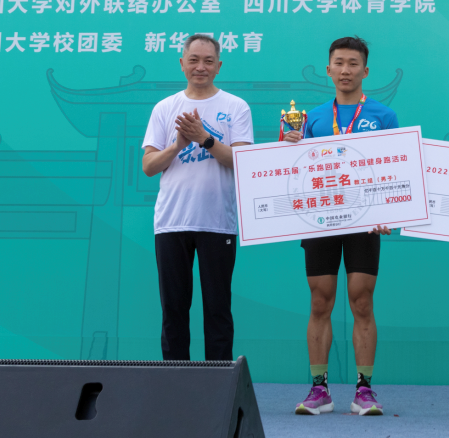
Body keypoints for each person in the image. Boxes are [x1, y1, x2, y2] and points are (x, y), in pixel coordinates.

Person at [281, 36, 397, 417]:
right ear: (328, 69)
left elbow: (394, 168)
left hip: (365, 222)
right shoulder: (310, 118)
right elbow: (294, 172)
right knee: (320, 300)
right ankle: (320, 390)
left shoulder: (383, 116)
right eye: (339, 63)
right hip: (320, 220)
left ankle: (365, 390)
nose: (346, 70)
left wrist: (389, 213)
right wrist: (288, 147)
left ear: (365, 71)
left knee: (362, 300)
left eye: (353, 64)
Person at [142, 34, 254, 361]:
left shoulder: (235, 107)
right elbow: (149, 166)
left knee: (218, 308)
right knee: (173, 309)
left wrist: (204, 139)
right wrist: (178, 145)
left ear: (219, 66)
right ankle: (175, 381)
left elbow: (242, 162)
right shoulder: (165, 108)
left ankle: (218, 381)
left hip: (217, 223)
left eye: (208, 61)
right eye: (193, 60)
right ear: (182, 64)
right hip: (171, 222)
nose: (200, 67)